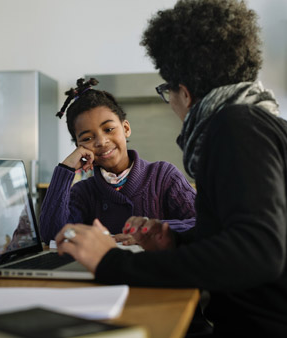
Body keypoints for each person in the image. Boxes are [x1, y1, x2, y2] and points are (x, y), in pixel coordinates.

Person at [55, 1, 287, 337]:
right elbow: (247, 234)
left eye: (166, 90)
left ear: (184, 92)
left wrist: (112, 262)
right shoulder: (255, 121)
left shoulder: (234, 128)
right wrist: (177, 244)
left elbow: (256, 253)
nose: (169, 101)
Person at [39, 78, 196, 244]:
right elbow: (52, 236)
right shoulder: (83, 192)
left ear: (126, 129)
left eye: (108, 129)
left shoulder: (163, 176)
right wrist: (66, 169)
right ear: (79, 146)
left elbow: (204, 222)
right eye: (87, 137)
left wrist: (151, 230)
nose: (101, 141)